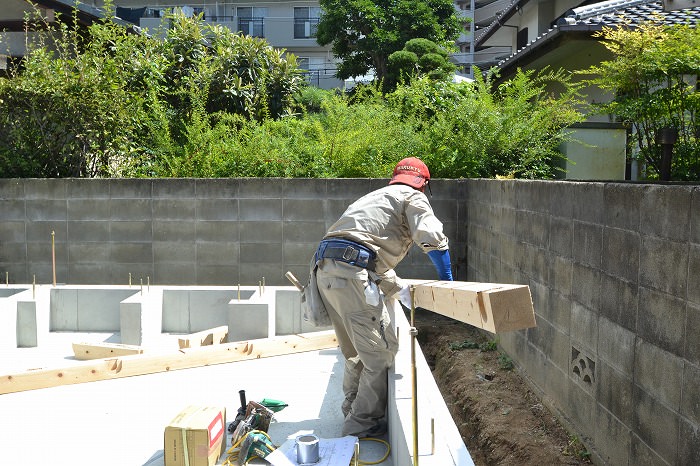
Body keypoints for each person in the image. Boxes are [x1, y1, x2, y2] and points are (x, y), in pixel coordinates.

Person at [313, 157, 454, 438]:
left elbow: (363, 253)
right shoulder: (413, 197)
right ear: (424, 185)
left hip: (325, 270)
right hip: (350, 273)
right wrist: (447, 277)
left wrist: (398, 289)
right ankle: (361, 425)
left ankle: (352, 408)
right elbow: (431, 236)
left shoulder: (376, 197)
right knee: (380, 355)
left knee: (356, 351)